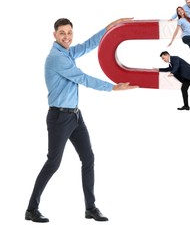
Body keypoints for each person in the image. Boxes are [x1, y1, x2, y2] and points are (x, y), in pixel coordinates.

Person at [25, 17, 138, 223]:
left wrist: (109, 27)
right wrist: (113, 87)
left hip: (75, 116)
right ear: (54, 35)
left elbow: (88, 45)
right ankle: (31, 209)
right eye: (62, 33)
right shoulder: (56, 58)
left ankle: (90, 208)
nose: (66, 37)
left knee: (88, 158)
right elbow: (82, 78)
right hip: (59, 117)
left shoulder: (67, 52)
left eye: (69, 33)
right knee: (53, 163)